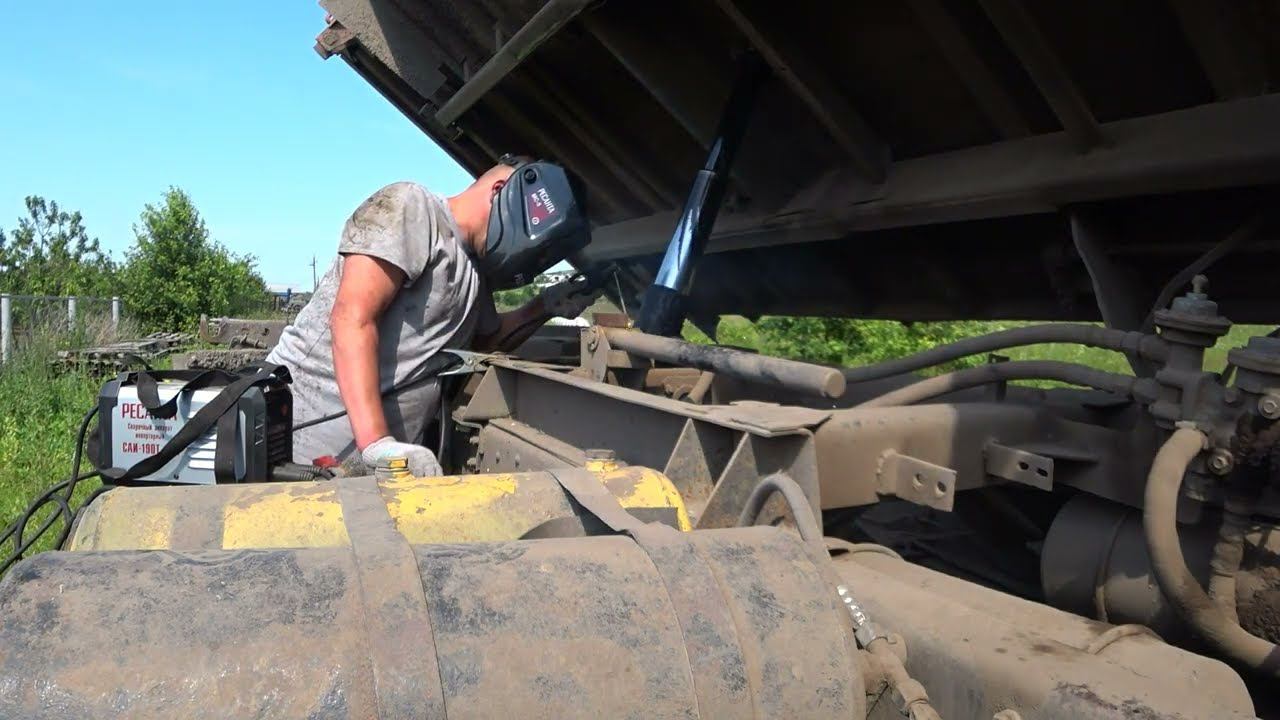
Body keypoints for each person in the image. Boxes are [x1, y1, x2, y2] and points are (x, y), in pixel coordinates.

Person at [267, 156, 600, 475]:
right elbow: (352, 318)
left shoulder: (475, 270)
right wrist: (377, 443)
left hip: (372, 466)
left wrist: (545, 306)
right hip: (295, 446)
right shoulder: (413, 207)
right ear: (501, 190)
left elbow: (486, 342)